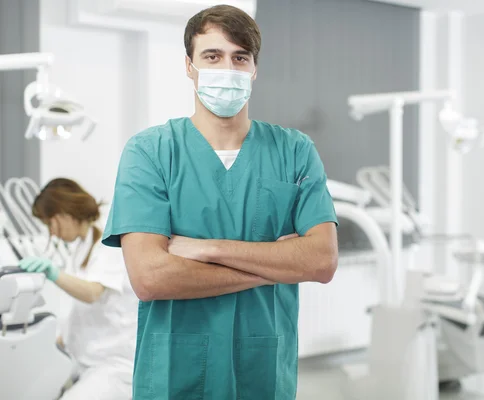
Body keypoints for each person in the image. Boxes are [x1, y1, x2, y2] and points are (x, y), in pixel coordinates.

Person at [101, 4, 338, 400]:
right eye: (212, 56)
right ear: (189, 66)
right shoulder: (151, 152)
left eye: (239, 57)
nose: (227, 69)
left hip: (262, 372)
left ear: (254, 69)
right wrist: (274, 268)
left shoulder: (294, 151)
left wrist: (209, 249)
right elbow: (151, 277)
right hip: (176, 373)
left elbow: (321, 261)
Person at [18, 178, 138, 400]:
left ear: (65, 213)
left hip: (114, 364)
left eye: (50, 223)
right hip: (85, 360)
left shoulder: (109, 240)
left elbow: (92, 293)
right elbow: (81, 309)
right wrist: (59, 339)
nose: (52, 233)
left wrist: (53, 273)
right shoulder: (83, 245)